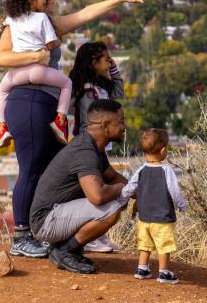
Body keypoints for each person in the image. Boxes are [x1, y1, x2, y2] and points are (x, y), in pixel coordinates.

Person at [0, 0, 148, 260]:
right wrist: (36, 55)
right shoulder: (14, 23)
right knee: (30, 168)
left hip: (48, 105)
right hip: (27, 99)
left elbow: (87, 12)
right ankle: (21, 236)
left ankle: (53, 231)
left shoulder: (48, 23)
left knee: (52, 166)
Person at [30, 99, 130, 274]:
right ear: (106, 125)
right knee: (112, 208)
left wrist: (139, 190)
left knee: (115, 200)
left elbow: (113, 177)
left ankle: (69, 249)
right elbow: (97, 196)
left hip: (55, 215)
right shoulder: (85, 152)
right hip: (45, 223)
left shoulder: (93, 147)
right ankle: (65, 251)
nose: (125, 126)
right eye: (121, 121)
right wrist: (123, 190)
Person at [0, 0, 73, 148]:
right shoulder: (42, 18)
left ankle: (2, 128)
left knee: (1, 91)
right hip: (39, 71)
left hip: (17, 74)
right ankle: (60, 120)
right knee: (67, 84)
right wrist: (60, 41)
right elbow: (51, 44)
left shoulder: (11, 20)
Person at [69, 39, 124, 253]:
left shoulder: (102, 86)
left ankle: (99, 236)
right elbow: (71, 109)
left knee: (100, 185)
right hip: (87, 144)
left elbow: (119, 94)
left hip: (101, 145)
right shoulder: (82, 89)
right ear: (93, 62)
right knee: (91, 191)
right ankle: (90, 236)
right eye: (105, 59)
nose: (109, 61)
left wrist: (113, 70)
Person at [120, 128, 186, 284]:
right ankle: (164, 273)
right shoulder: (167, 170)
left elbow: (129, 188)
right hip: (162, 217)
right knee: (164, 246)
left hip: (144, 217)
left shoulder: (141, 170)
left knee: (145, 244)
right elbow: (174, 191)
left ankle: (142, 269)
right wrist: (181, 205)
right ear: (163, 150)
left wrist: (121, 201)